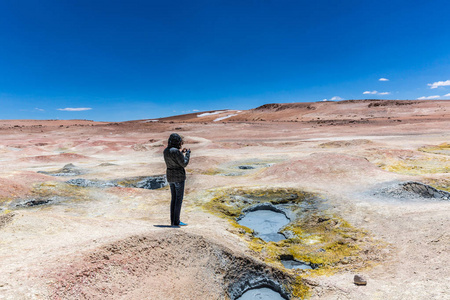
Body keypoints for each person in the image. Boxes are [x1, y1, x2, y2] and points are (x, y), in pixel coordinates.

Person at [163, 133, 191, 226]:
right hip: (179, 177)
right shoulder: (176, 151)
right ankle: (177, 221)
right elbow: (184, 164)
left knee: (173, 199)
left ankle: (173, 221)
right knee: (178, 200)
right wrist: (187, 154)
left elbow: (174, 158)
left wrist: (180, 153)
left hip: (170, 177)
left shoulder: (166, 151)